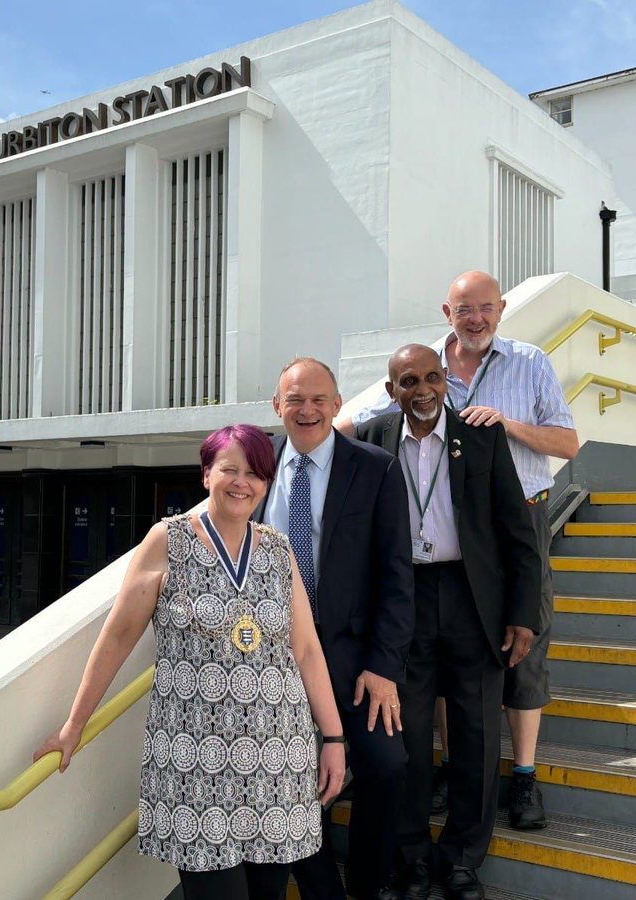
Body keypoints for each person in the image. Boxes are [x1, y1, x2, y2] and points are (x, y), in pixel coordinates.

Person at [35, 425, 347, 900]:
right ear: (206, 475)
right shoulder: (169, 540)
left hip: (279, 763)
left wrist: (334, 738)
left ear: (265, 483)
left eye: (255, 473)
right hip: (195, 768)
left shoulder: (279, 550)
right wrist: (73, 724)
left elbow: (304, 650)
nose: (242, 482)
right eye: (230, 469)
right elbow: (118, 636)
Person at [339, 270, 578, 831]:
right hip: (446, 541)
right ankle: (451, 769)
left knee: (522, 651)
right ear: (448, 312)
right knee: (443, 669)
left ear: (501, 309)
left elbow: (567, 442)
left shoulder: (530, 363)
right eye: (465, 309)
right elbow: (355, 423)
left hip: (517, 518)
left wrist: (504, 426)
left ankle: (523, 775)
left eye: (486, 308)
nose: (476, 318)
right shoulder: (424, 365)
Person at [355, 344, 541, 900]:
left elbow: (519, 533)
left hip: (470, 598)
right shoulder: (373, 439)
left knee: (477, 736)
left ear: (446, 383)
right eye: (408, 381)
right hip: (401, 600)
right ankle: (411, 859)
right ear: (392, 391)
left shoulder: (481, 436)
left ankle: (461, 859)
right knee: (406, 736)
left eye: (432, 377)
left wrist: (522, 616)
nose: (423, 389)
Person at [253, 358, 415, 900]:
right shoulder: (255, 472)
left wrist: (384, 666)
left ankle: (367, 888)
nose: (308, 410)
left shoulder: (375, 469)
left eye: (319, 399)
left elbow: (397, 578)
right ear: (277, 406)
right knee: (299, 785)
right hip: (275, 666)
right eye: (295, 399)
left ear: (338, 404)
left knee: (387, 767)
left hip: (355, 664)